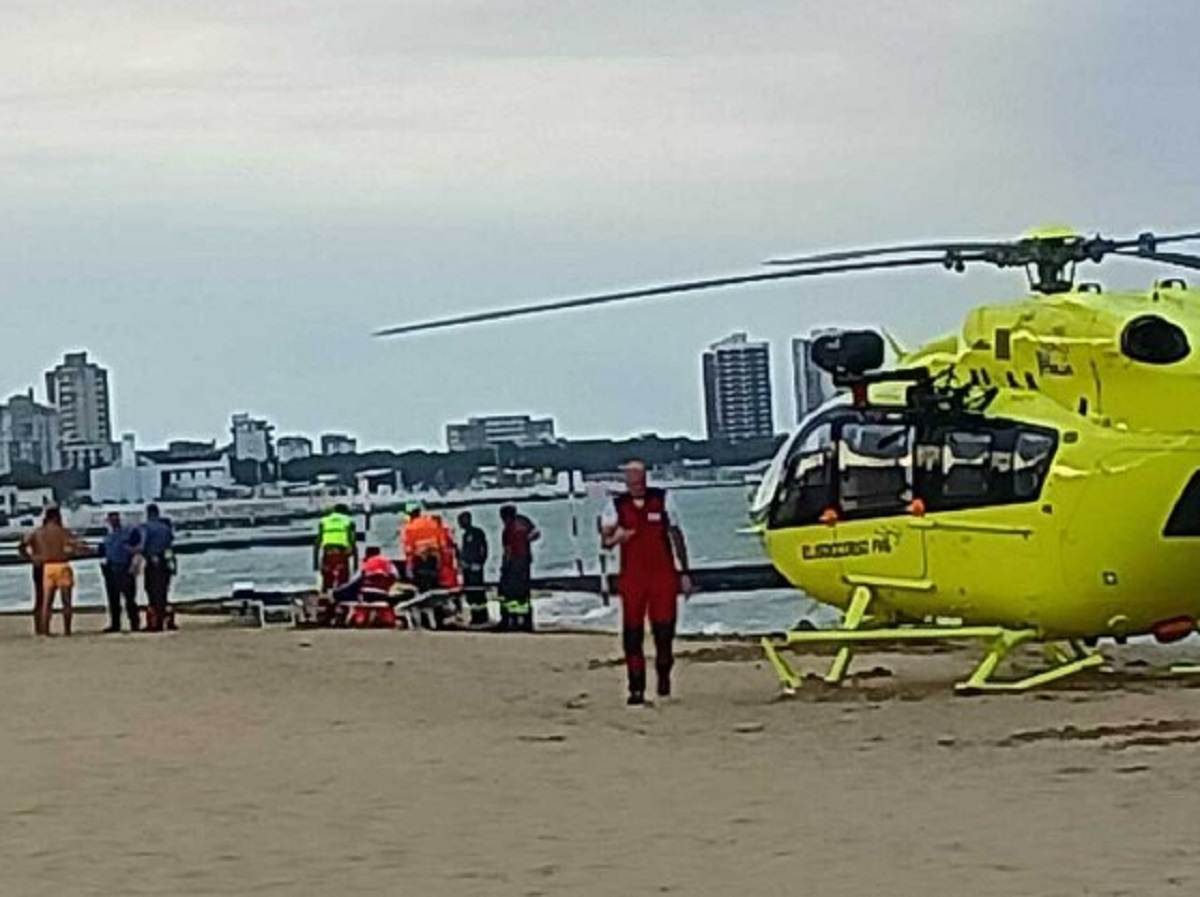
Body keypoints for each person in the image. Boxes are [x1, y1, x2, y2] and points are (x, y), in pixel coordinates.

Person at [601, 461, 692, 706]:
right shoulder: (616, 505)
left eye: (639, 481)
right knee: (632, 635)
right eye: (631, 482)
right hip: (633, 578)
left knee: (664, 633)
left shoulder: (662, 500)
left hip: (662, 575)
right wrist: (616, 537)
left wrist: (684, 571)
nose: (636, 486)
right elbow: (606, 540)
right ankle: (636, 689)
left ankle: (663, 674)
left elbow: (676, 536)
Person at [24, 507, 89, 637]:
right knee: (66, 601)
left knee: (47, 602)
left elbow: (22, 544)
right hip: (62, 564)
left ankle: (45, 630)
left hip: (47, 566)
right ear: (55, 517)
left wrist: (32, 557)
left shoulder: (38, 532)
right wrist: (82, 550)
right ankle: (67, 630)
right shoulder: (62, 532)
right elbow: (77, 545)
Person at [498, 504, 540, 632]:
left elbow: (507, 550)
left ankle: (512, 620)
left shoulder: (508, 529)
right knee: (523, 592)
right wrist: (526, 541)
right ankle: (526, 621)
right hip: (525, 561)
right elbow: (536, 533)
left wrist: (504, 566)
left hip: (514, 562)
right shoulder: (523, 521)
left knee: (510, 593)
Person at [100, 511, 142, 633]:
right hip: (111, 568)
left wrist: (135, 564)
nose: (114, 521)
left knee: (129, 599)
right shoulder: (107, 536)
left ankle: (135, 624)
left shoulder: (129, 532)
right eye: (111, 519)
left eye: (116, 519)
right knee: (113, 600)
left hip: (125, 568)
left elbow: (138, 548)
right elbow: (102, 551)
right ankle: (115, 624)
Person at [140, 504, 176, 632]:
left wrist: (140, 553)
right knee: (163, 591)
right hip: (166, 561)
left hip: (152, 561)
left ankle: (155, 622)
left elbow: (142, 544)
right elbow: (170, 544)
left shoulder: (146, 527)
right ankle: (166, 619)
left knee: (151, 590)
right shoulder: (166, 528)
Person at [315, 504, 358, 592]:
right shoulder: (348, 521)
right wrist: (355, 563)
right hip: (341, 553)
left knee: (327, 580)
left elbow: (317, 543)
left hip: (327, 553)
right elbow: (352, 541)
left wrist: (315, 563)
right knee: (343, 582)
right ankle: (340, 599)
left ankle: (324, 598)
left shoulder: (324, 521)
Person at [457, 511, 489, 626]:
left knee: (478, 592)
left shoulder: (477, 533)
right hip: (467, 567)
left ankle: (482, 616)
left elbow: (484, 549)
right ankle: (475, 616)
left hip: (475, 567)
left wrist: (480, 562)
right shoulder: (465, 535)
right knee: (470, 593)